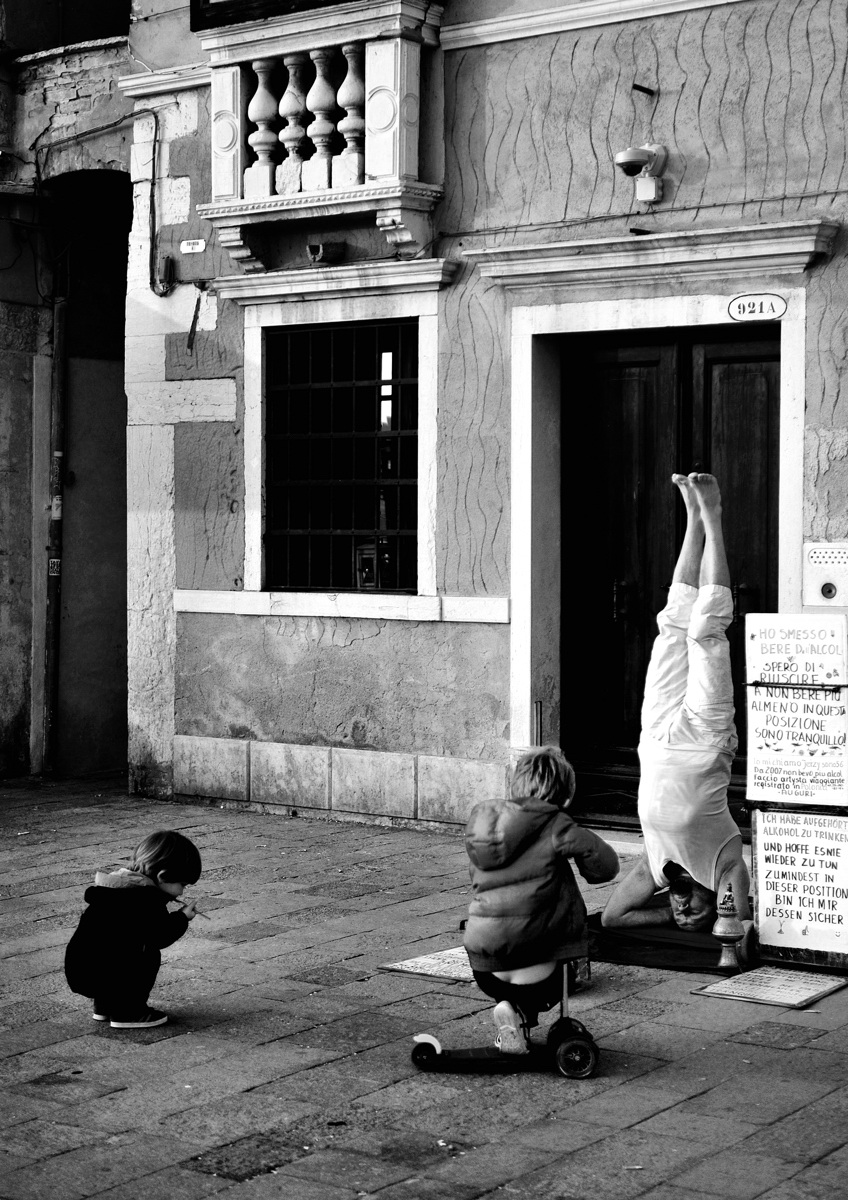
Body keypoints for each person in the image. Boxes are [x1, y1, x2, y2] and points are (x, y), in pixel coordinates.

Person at [602, 473, 752, 941]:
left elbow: (612, 917)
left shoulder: (657, 870)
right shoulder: (724, 864)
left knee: (671, 627)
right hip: (706, 739)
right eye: (692, 909)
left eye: (678, 906)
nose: (683, 906)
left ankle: (691, 520)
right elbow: (733, 929)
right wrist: (715, 922)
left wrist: (668, 918)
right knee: (706, 632)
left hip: (655, 736)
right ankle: (714, 516)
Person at [463, 746, 620, 1054]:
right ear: (566, 797)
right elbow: (606, 867)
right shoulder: (557, 825)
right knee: (565, 972)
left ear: (515, 786)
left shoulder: (484, 830)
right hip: (539, 970)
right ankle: (521, 1013)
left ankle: (513, 1017)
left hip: (486, 966)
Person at [64, 830, 203, 1028]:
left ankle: (105, 1006)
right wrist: (182, 917)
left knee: (119, 948)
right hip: (110, 975)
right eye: (182, 884)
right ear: (163, 876)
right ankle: (128, 1012)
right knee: (146, 953)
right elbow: (160, 935)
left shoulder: (113, 890)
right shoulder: (145, 899)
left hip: (81, 970)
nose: (182, 891)